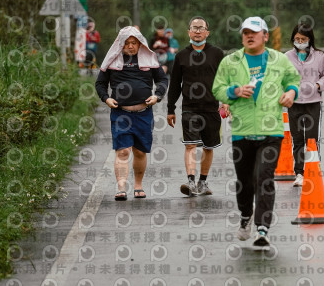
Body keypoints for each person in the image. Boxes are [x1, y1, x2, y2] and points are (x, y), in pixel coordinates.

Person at [212, 16, 300, 248]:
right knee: (245, 182)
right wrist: (235, 90)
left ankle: (262, 228)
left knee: (264, 178)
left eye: (254, 32)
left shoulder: (279, 60)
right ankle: (245, 216)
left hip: (271, 131)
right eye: (245, 33)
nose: (249, 36)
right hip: (242, 131)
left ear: (265, 36)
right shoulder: (231, 61)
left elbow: (293, 80)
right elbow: (217, 88)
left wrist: (291, 93)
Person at [95, 26, 169, 200]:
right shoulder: (112, 61)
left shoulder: (149, 59)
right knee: (122, 152)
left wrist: (157, 96)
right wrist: (106, 98)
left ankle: (138, 185)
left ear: (140, 43)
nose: (130, 46)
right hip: (121, 114)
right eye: (127, 43)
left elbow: (162, 80)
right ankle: (121, 187)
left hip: (144, 113)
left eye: (133, 43)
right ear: (120, 44)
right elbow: (100, 84)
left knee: (140, 152)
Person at [167, 17, 227, 197]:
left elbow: (223, 80)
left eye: (202, 28)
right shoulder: (181, 56)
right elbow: (175, 83)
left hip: (211, 108)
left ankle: (203, 182)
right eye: (195, 28)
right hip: (189, 108)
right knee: (190, 145)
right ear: (189, 32)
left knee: (209, 147)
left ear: (207, 32)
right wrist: (171, 109)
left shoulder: (217, 53)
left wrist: (225, 101)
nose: (198, 31)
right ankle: (190, 181)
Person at [284, 23, 324, 187]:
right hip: (294, 103)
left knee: (311, 140)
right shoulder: (287, 57)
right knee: (297, 140)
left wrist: (318, 85)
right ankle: (299, 173)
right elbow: (281, 77)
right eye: (297, 39)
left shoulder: (319, 56)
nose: (299, 41)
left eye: (303, 39)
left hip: (313, 103)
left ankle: (312, 171)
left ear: (309, 40)